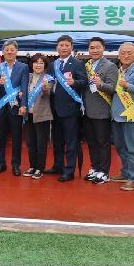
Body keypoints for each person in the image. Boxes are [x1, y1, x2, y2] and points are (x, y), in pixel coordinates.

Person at [46, 35, 87, 182]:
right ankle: (58, 166)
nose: (63, 48)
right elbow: (49, 82)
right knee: (57, 141)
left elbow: (84, 82)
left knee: (70, 142)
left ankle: (69, 170)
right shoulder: (53, 65)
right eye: (61, 45)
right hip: (55, 109)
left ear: (71, 47)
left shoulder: (77, 63)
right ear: (57, 47)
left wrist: (74, 82)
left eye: (66, 45)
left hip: (70, 109)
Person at [110, 42, 134, 191]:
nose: (126, 56)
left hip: (131, 115)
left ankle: (133, 178)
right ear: (119, 55)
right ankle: (125, 173)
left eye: (129, 53)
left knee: (132, 148)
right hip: (116, 114)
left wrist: (126, 85)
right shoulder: (117, 70)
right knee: (120, 146)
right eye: (123, 53)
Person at [81, 37, 118, 185]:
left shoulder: (110, 66)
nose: (94, 50)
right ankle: (95, 167)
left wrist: (100, 83)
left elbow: (112, 88)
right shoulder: (86, 65)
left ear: (103, 48)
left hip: (102, 110)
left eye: (97, 47)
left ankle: (104, 171)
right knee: (91, 142)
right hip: (87, 110)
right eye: (91, 48)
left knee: (103, 142)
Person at [0, 40, 28, 176]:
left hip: (16, 106)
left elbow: (24, 86)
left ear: (16, 51)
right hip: (1, 106)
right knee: (0, 137)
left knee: (17, 137)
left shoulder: (23, 67)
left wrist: (24, 104)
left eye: (12, 49)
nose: (9, 52)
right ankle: (0, 163)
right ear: (3, 52)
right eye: (6, 49)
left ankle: (15, 164)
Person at [23, 54, 53, 180]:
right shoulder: (28, 77)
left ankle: (40, 168)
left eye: (41, 63)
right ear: (32, 64)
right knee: (30, 143)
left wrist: (45, 88)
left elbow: (48, 93)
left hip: (42, 116)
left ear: (45, 65)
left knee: (41, 144)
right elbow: (23, 91)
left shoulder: (48, 78)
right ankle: (32, 166)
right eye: (36, 62)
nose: (38, 65)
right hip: (28, 115)